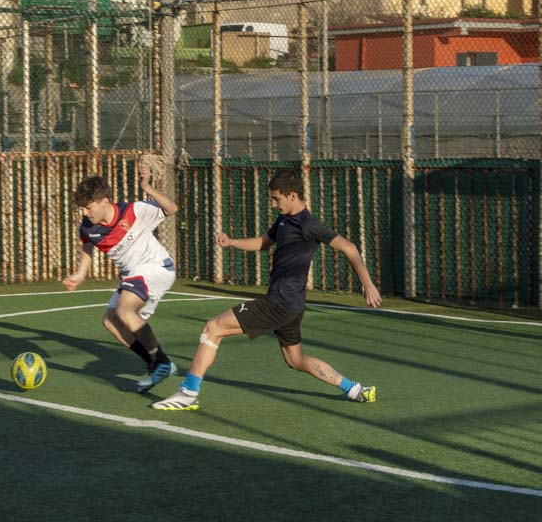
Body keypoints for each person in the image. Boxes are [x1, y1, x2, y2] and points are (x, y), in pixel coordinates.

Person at [153, 167, 382, 412]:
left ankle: (188, 392)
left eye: (277, 199)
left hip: (280, 303)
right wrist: (232, 242)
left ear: (292, 196)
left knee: (212, 328)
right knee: (295, 360)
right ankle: (354, 389)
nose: (273, 204)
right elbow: (263, 243)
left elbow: (350, 248)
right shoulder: (284, 220)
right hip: (290, 306)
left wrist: (367, 285)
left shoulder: (309, 224)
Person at [62, 165, 180, 393]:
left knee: (124, 311)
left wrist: (147, 187)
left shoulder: (134, 211)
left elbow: (172, 208)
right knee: (111, 322)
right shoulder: (89, 227)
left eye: (88, 208)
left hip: (156, 267)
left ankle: (160, 362)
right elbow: (87, 245)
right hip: (133, 275)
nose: (85, 213)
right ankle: (157, 363)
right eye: (83, 209)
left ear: (104, 201)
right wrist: (80, 273)